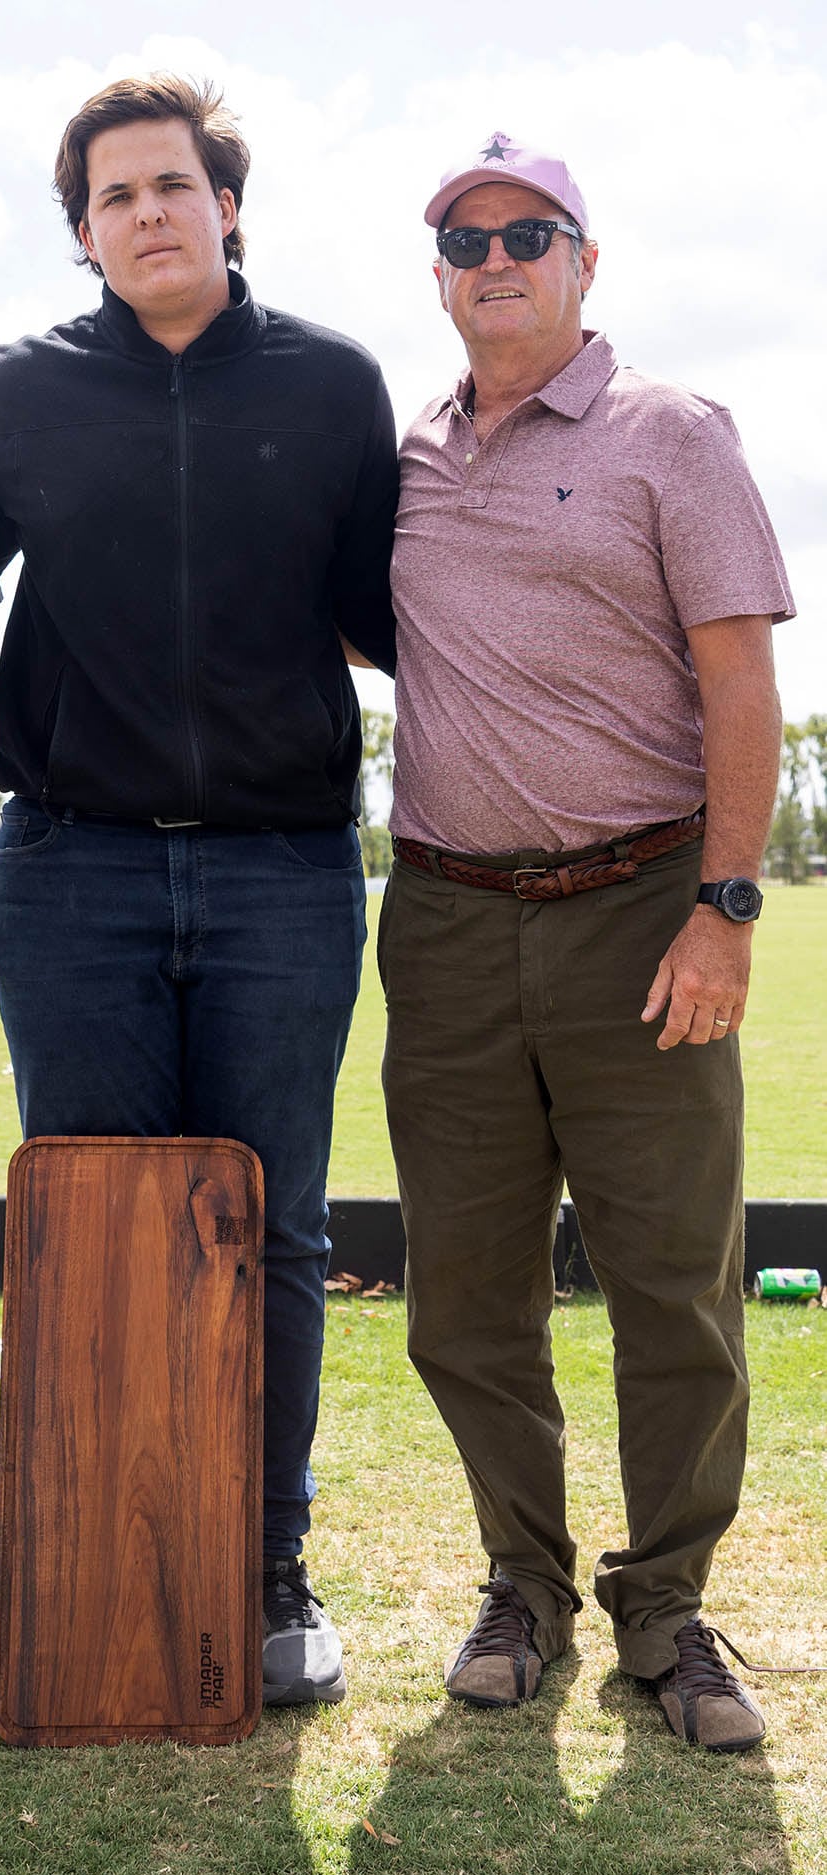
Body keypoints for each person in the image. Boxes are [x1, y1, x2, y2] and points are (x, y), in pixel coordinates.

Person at [0, 74, 398, 1708]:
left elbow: (383, 617)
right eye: (113, 195)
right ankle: (94, 1567)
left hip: (286, 874)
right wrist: (21, 739)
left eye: (172, 184)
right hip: (68, 876)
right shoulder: (12, 395)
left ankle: (261, 1565)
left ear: (227, 205)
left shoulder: (336, 386)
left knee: (272, 1227)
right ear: (83, 233)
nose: (146, 211)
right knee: (94, 1233)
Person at [382, 133, 794, 1750]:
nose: (495, 256)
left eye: (528, 232)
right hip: (442, 920)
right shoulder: (406, 456)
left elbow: (737, 681)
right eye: (465, 238)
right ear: (438, 275)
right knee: (462, 1299)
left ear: (582, 262)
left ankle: (667, 1609)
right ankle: (522, 1586)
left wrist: (724, 903)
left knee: (670, 1288)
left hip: (642, 910)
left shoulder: (666, 435)